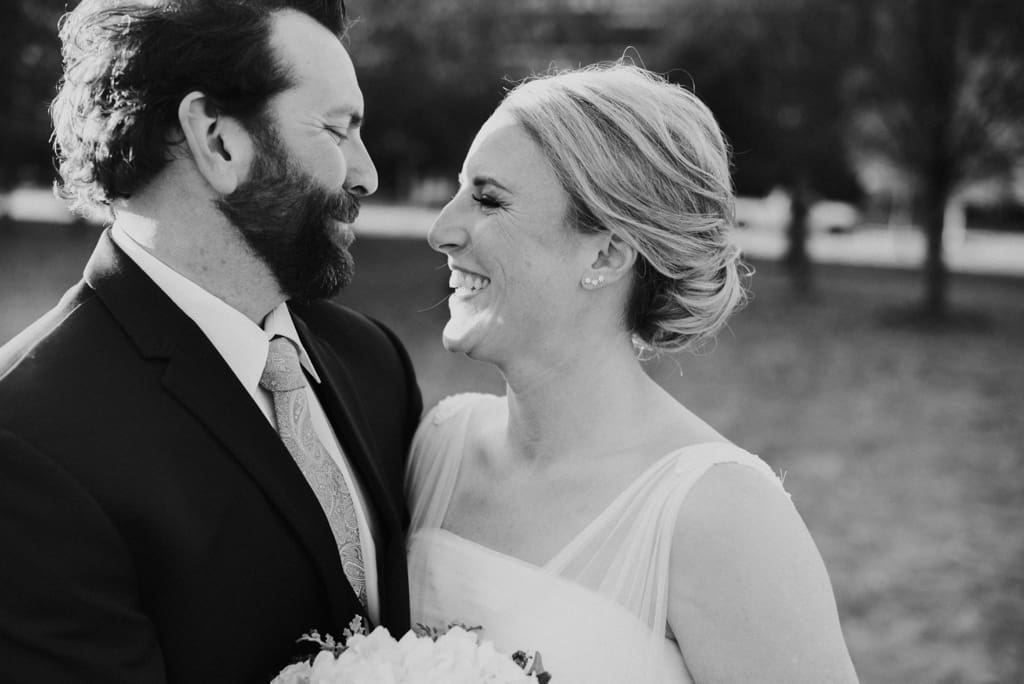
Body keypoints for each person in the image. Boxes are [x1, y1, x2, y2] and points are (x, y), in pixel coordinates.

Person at [0, 1, 422, 681]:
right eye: (338, 131)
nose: (366, 174)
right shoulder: (26, 441)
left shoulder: (373, 363)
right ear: (217, 138)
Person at [407, 63, 860, 683]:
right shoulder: (437, 447)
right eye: (458, 192)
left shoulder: (721, 517)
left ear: (607, 253)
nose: (441, 230)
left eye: (487, 199)